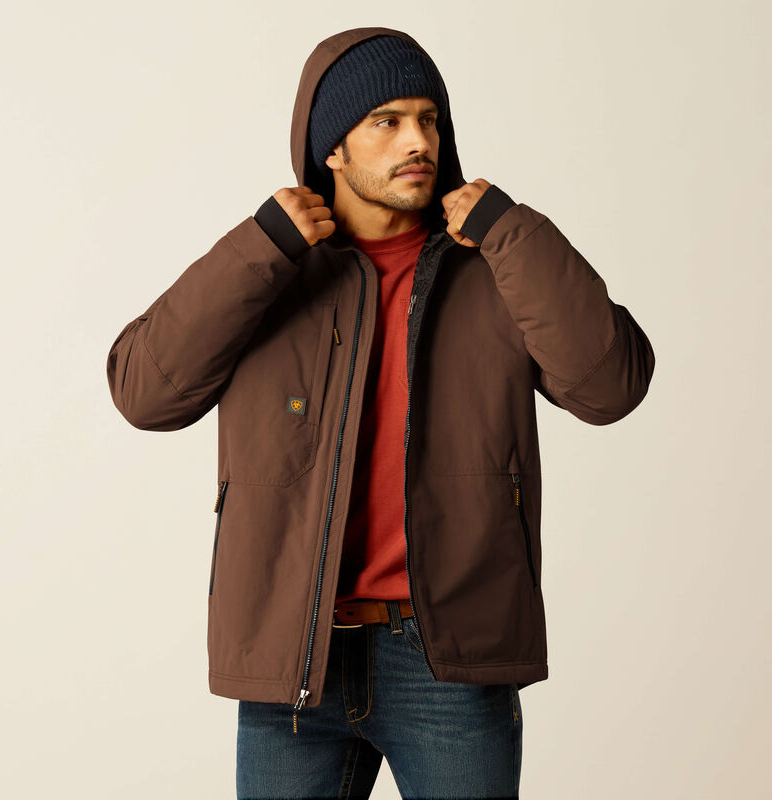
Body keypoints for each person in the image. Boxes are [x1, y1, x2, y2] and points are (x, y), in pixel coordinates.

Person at [106, 26, 656, 799]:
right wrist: (259, 247)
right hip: (295, 661)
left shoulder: (494, 267)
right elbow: (144, 393)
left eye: (429, 120)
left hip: (448, 658)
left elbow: (611, 387)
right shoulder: (270, 274)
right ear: (332, 148)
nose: (418, 141)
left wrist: (511, 231)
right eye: (387, 122)